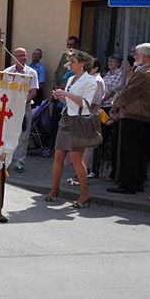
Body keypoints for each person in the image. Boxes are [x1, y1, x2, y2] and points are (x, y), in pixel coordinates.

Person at [46, 49, 98, 208]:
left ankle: (84, 194)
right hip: (67, 118)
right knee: (58, 156)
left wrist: (66, 95)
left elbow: (85, 104)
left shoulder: (90, 81)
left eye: (73, 61)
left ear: (82, 63)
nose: (70, 64)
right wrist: (60, 96)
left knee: (76, 159)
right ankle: (54, 189)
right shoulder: (71, 79)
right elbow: (70, 102)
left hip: (79, 122)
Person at [107, 43, 150, 194]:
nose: (134, 56)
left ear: (144, 56)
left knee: (130, 152)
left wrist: (116, 105)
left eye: (136, 53)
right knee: (137, 152)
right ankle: (136, 182)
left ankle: (128, 184)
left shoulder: (146, 73)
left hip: (135, 116)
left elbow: (129, 93)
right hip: (141, 116)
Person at [4, 48, 39, 173]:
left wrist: (21, 103)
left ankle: (19, 162)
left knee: (23, 136)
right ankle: (5, 160)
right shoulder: (7, 72)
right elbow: (3, 90)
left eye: (24, 55)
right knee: (7, 133)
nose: (23, 58)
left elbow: (33, 92)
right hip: (9, 108)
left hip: (25, 108)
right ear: (14, 57)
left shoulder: (32, 73)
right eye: (20, 55)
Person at [100, 55, 125, 181]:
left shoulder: (120, 74)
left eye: (112, 61)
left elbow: (112, 91)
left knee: (108, 135)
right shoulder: (108, 74)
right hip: (102, 106)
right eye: (109, 61)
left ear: (119, 63)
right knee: (102, 136)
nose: (110, 63)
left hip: (110, 107)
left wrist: (100, 100)